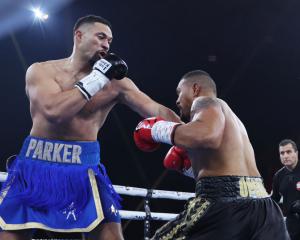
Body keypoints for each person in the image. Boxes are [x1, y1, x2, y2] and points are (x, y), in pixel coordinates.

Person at [0, 15, 181, 240]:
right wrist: (96, 78)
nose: (106, 44)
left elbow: (155, 109)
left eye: (110, 41)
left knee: (112, 237)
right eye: (101, 37)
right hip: (36, 167)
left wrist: (185, 135)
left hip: (84, 170)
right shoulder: (41, 71)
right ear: (79, 35)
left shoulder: (117, 84)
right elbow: (53, 112)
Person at [134, 70, 290, 239]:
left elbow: (206, 135)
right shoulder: (234, 121)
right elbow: (228, 172)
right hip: (265, 210)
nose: (177, 100)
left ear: (195, 89)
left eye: (180, 92)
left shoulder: (204, 102)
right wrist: (190, 168)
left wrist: (156, 130)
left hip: (224, 208)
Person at [271, 139, 300, 240]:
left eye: (289, 152)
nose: (285, 156)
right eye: (282, 153)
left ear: (296, 153)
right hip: (292, 225)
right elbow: (274, 199)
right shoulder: (278, 176)